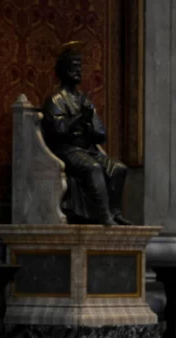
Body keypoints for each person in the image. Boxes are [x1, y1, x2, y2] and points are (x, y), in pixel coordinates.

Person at [42, 41, 130, 226]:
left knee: (119, 168)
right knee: (93, 168)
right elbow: (58, 131)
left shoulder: (84, 100)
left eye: (80, 68)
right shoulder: (55, 99)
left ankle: (115, 212)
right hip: (67, 149)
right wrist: (80, 117)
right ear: (64, 70)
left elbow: (101, 134)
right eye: (74, 68)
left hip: (88, 148)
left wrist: (90, 125)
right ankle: (103, 215)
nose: (79, 72)